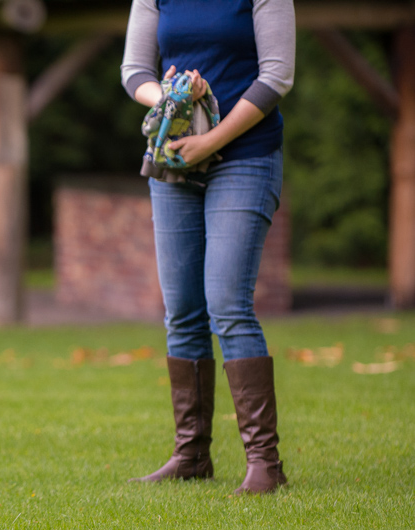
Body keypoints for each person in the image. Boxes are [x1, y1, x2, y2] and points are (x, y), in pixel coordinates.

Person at [121, 0, 296, 494]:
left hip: (246, 156)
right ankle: (191, 454)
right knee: (181, 310)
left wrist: (214, 136)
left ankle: (265, 464)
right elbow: (135, 71)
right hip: (173, 156)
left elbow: (278, 75)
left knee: (228, 303)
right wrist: (175, 94)